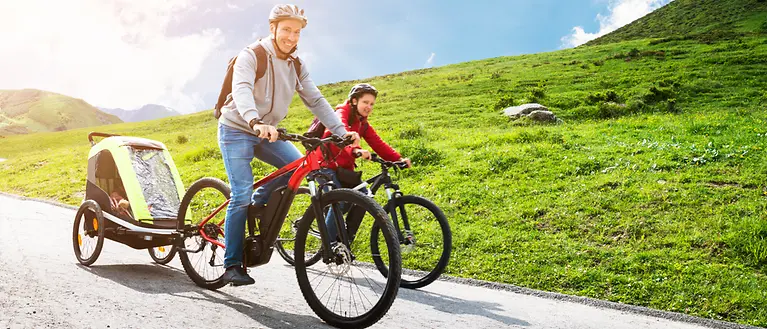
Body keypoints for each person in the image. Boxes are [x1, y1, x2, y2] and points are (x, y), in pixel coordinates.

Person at [217, 4, 360, 286]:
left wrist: (341, 131)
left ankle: (259, 202)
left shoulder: (296, 64)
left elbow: (316, 100)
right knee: (241, 193)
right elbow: (241, 89)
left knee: (295, 167)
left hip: (268, 131)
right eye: (286, 30)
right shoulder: (252, 55)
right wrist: (255, 121)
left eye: (296, 32)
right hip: (236, 129)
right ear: (273, 29)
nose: (291, 37)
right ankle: (232, 264)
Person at [311, 83, 411, 241]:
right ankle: (328, 245)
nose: (369, 107)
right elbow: (338, 134)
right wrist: (355, 151)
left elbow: (378, 143)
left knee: (365, 197)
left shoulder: (362, 123)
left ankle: (345, 239)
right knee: (340, 200)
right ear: (354, 101)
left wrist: (397, 159)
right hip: (323, 165)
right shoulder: (340, 113)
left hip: (343, 169)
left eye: (372, 104)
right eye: (366, 102)